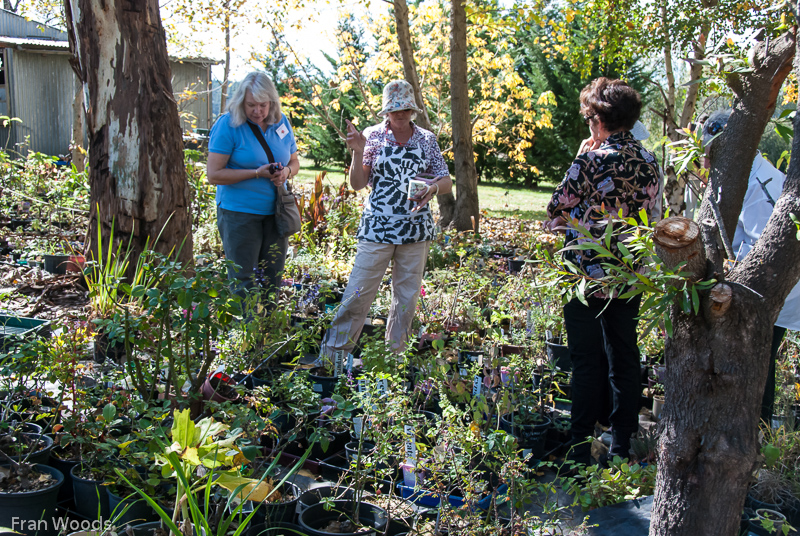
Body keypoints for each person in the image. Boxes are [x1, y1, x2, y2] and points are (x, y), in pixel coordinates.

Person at [546, 77, 662, 465]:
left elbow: (554, 208)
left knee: (586, 359)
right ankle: (622, 445)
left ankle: (579, 447)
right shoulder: (649, 161)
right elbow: (652, 216)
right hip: (628, 275)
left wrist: (580, 157)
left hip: (585, 276)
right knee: (625, 358)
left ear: (598, 119)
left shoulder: (591, 159)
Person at [320, 79, 452, 357]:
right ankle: (331, 359)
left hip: (415, 232)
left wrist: (433, 188)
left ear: (412, 110)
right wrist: (357, 151)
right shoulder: (373, 135)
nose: (400, 114)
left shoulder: (426, 139)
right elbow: (358, 183)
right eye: (394, 110)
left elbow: (446, 180)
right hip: (377, 229)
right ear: (386, 112)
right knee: (357, 294)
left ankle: (394, 362)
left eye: (405, 109)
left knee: (405, 301)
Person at [702, 109, 800, 424]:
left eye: (710, 152)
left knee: (757, 365)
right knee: (755, 364)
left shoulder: (762, 184)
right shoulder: (744, 175)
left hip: (773, 294)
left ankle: (758, 432)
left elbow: (765, 253)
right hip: (763, 292)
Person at [207, 72, 300, 303]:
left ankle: (267, 332)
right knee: (243, 279)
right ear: (241, 102)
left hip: (275, 214)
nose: (257, 111)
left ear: (272, 102)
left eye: (263, 105)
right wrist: (257, 173)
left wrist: (285, 172)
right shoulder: (228, 125)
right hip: (239, 214)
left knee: (273, 277)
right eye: (251, 105)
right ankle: (245, 334)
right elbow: (214, 174)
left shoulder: (282, 121)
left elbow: (294, 162)